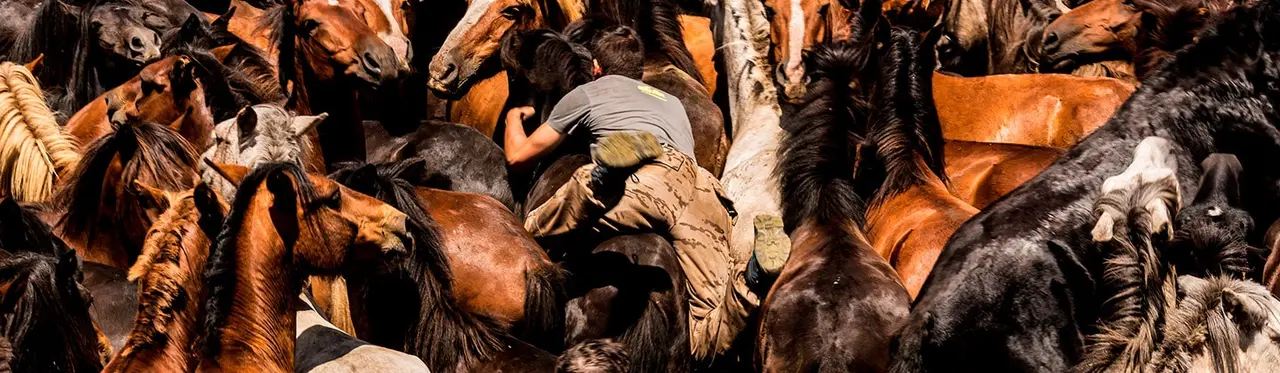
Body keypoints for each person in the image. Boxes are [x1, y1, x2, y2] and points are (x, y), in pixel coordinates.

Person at [503, 25, 790, 361]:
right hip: (701, 190)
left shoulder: (590, 92)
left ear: (596, 67)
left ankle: (600, 180)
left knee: (535, 227)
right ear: (640, 71)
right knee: (703, 337)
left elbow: (517, 157)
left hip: (645, 180)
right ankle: (753, 276)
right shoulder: (671, 102)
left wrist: (513, 118)